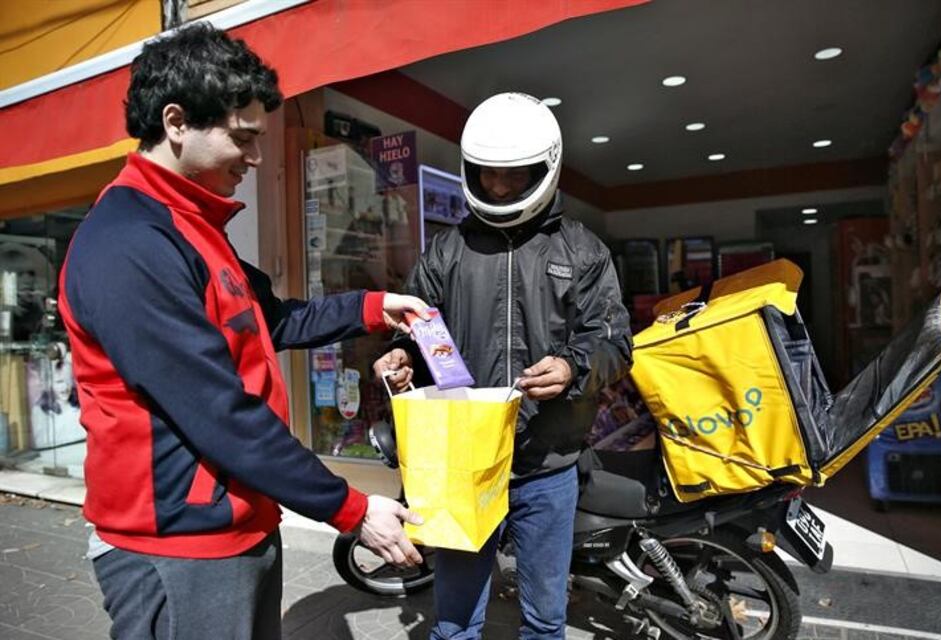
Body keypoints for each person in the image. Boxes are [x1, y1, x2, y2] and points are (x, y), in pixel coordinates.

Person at [58, 23, 428, 640]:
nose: (255, 159)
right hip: (178, 547)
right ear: (176, 122)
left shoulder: (196, 227)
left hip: (235, 524)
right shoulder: (130, 243)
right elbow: (217, 411)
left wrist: (371, 307)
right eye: (242, 138)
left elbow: (270, 321)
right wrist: (352, 509)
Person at [373, 92, 633, 639]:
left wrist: (571, 368)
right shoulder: (446, 251)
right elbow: (420, 334)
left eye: (513, 176)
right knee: (454, 622)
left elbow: (615, 343)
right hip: (460, 465)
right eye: (487, 174)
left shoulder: (584, 251)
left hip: (548, 466)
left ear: (546, 168)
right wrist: (402, 361)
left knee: (544, 620)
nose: (497, 187)